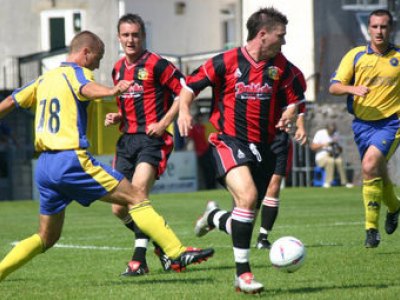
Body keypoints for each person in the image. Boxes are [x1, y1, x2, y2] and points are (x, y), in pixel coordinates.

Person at [0, 30, 213, 283]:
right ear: (85, 53)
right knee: (135, 196)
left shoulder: (44, 79)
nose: (98, 63)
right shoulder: (77, 73)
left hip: (44, 166)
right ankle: (176, 252)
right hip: (70, 160)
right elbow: (86, 88)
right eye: (97, 57)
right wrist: (111, 90)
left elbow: (10, 101)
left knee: (46, 237)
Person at [178, 7, 305, 294]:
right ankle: (243, 276)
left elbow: (296, 97)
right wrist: (184, 110)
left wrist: (291, 113)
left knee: (243, 216)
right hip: (228, 141)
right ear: (262, 35)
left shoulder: (282, 67)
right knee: (247, 198)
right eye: (280, 36)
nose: (283, 42)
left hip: (264, 148)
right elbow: (190, 86)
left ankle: (212, 217)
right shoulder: (226, 61)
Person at [104, 13, 205, 276]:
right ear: (118, 37)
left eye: (135, 35)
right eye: (125, 35)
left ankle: (138, 261)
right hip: (126, 142)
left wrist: (164, 123)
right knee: (118, 208)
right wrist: (119, 116)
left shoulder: (158, 64)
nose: (130, 40)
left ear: (143, 36)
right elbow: (132, 104)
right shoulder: (117, 69)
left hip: (153, 140)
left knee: (137, 192)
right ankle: (161, 243)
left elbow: (185, 91)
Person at [329, 9, 400, 248]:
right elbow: (334, 87)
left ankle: (371, 230)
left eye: (384, 27)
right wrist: (353, 89)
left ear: (390, 29)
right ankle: (395, 206)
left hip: (391, 123)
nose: (379, 31)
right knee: (377, 171)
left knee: (370, 165)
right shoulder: (356, 55)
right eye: (375, 27)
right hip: (361, 125)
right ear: (368, 29)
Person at [256, 107, 308, 250]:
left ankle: (263, 237)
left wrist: (300, 125)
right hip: (253, 136)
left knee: (274, 185)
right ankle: (215, 217)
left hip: (279, 137)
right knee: (252, 193)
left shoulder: (289, 84)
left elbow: (299, 102)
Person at [310, 123, 353, 188]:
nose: (332, 133)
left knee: (340, 161)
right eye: (331, 131)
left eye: (333, 131)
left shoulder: (336, 134)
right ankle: (328, 182)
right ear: (327, 129)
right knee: (330, 161)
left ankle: (344, 182)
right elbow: (313, 147)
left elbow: (341, 150)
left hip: (333, 155)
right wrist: (324, 144)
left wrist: (337, 145)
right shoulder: (320, 133)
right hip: (321, 157)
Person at [188, 113, 216, 190]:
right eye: (199, 118)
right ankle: (208, 187)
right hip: (200, 152)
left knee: (211, 169)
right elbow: (190, 139)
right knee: (205, 170)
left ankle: (213, 186)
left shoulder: (203, 127)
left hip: (206, 150)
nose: (201, 120)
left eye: (201, 118)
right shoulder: (193, 128)